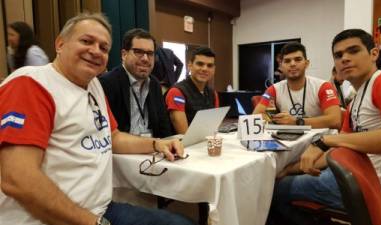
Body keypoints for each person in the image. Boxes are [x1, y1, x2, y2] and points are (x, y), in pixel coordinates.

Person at [0, 13, 195, 225]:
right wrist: (93, 222)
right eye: (86, 41)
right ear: (60, 44)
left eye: (103, 48)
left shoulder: (94, 86)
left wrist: (157, 143)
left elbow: (113, 136)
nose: (95, 51)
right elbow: (17, 179)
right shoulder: (31, 84)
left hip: (100, 209)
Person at [270, 29, 381, 225]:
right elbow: (339, 151)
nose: (345, 59)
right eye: (338, 55)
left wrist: (325, 140)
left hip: (366, 186)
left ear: (374, 54)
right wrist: (290, 169)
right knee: (283, 178)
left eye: (353, 51)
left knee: (272, 191)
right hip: (348, 174)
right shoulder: (355, 100)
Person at [99, 29, 173, 138]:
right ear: (124, 55)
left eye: (150, 53)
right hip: (123, 151)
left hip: (153, 149)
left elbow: (163, 125)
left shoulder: (154, 84)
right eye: (138, 52)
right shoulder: (107, 83)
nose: (145, 59)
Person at [253, 42, 342, 129]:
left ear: (306, 63)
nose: (292, 64)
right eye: (287, 61)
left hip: (318, 140)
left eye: (298, 59)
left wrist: (296, 122)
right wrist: (278, 119)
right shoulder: (273, 89)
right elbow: (256, 116)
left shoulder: (323, 86)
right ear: (281, 66)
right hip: (287, 140)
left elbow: (335, 120)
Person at [165, 47, 219, 134]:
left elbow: (213, 128)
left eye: (210, 65)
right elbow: (184, 135)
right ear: (190, 65)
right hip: (184, 146)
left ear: (214, 69)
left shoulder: (213, 93)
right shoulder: (177, 92)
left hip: (205, 142)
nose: (205, 69)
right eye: (200, 64)